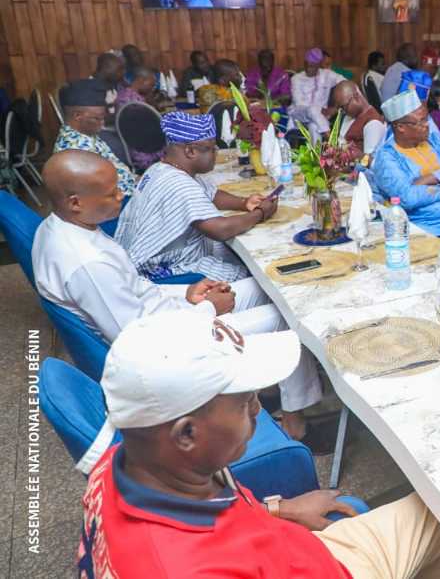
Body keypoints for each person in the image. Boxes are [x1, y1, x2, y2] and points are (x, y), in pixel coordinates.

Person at [79, 309, 440, 578]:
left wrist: (281, 509)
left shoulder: (122, 463)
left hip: (294, 552)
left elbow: (222, 525)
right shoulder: (182, 568)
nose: (260, 408)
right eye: (246, 402)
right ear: (187, 434)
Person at [33, 151, 320, 438]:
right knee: (288, 316)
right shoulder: (87, 263)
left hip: (166, 316)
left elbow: (131, 289)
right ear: (75, 202)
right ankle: (294, 420)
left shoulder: (59, 227)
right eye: (111, 194)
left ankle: (261, 385)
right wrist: (207, 309)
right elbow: (133, 337)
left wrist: (188, 293)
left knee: (264, 287)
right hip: (167, 349)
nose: (122, 196)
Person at [116, 112, 279, 282]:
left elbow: (210, 194)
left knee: (233, 252)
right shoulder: (178, 183)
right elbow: (220, 229)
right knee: (257, 277)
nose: (216, 153)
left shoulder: (159, 168)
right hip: (163, 270)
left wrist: (244, 203)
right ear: (191, 151)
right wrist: (260, 213)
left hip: (140, 259)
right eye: (211, 148)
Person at [371, 90, 440, 237]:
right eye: (422, 121)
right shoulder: (387, 157)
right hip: (429, 231)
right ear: (400, 127)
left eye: (427, 119)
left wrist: (431, 178)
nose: (428, 125)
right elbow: (407, 197)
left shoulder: (434, 140)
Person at [55, 79, 136, 196]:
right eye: (97, 118)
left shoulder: (86, 134)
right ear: (77, 116)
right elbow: (99, 197)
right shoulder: (75, 150)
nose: (102, 124)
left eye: (103, 118)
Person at [288, 48, 344, 139]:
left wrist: (336, 107)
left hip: (319, 119)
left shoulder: (327, 75)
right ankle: (331, 139)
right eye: (306, 65)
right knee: (312, 110)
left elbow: (345, 84)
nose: (308, 69)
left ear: (319, 65)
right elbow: (299, 103)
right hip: (299, 114)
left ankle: (317, 153)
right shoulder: (296, 79)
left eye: (312, 66)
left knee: (314, 127)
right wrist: (320, 110)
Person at [328, 80, 387, 157]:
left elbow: (370, 161)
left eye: (344, 106)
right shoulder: (350, 115)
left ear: (356, 97)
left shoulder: (373, 123)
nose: (343, 111)